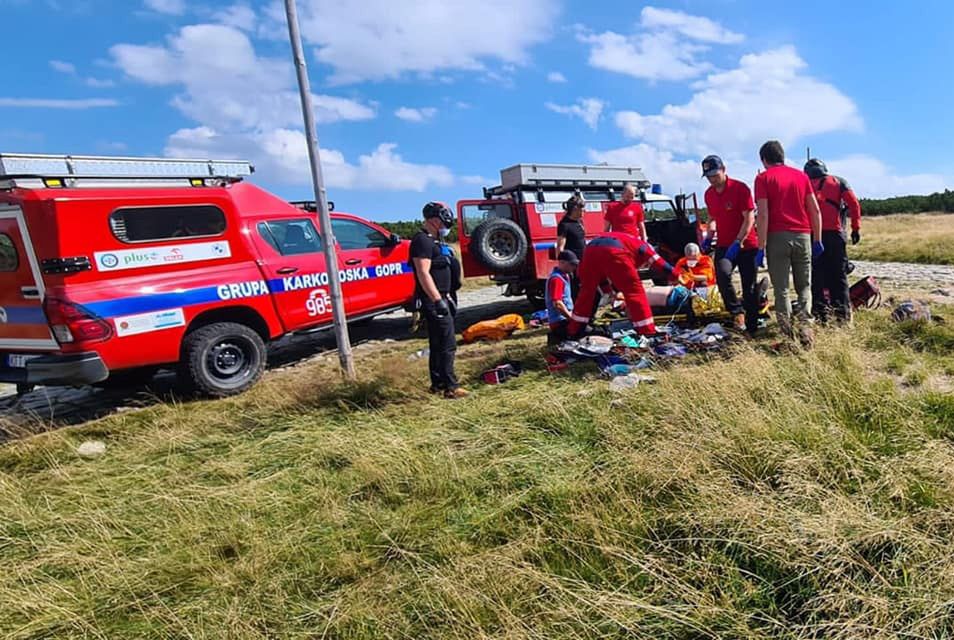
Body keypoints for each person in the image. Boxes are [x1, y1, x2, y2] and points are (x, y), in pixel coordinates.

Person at [754, 140, 823, 343]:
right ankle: (805, 327)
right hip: (803, 235)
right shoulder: (801, 177)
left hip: (777, 237)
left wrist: (761, 246)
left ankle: (786, 331)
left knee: (781, 287)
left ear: (764, 159)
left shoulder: (763, 178)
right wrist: (817, 239)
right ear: (782, 156)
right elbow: (815, 210)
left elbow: (763, 214)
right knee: (804, 286)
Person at [568, 232, 678, 337]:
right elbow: (658, 261)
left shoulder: (627, 241)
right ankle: (646, 330)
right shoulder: (644, 246)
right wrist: (675, 275)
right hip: (614, 250)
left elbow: (601, 274)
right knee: (635, 291)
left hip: (590, 249)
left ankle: (575, 329)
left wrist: (608, 292)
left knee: (586, 293)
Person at [411, 202, 468, 399]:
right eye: (444, 222)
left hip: (445, 296)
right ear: (434, 221)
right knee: (447, 343)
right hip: (434, 300)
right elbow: (423, 273)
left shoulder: (436, 242)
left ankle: (437, 383)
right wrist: (437, 300)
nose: (446, 226)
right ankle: (451, 387)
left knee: (437, 342)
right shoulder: (422, 241)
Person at [701, 154, 759, 333]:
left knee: (748, 284)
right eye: (708, 176)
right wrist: (709, 236)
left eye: (714, 175)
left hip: (746, 244)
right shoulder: (709, 194)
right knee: (723, 275)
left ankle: (752, 326)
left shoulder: (740, 188)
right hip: (725, 245)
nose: (712, 179)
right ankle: (737, 313)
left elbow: (749, 217)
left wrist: (738, 241)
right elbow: (712, 218)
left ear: (723, 170)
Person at [804, 158, 862, 324]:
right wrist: (856, 228)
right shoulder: (838, 181)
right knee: (839, 276)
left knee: (816, 277)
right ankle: (842, 315)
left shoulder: (803, 184)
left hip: (811, 235)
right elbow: (854, 205)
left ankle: (820, 314)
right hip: (835, 235)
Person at [544, 250, 579, 345]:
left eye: (575, 264)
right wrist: (571, 318)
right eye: (572, 264)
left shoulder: (565, 276)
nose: (574, 267)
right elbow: (557, 304)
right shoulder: (557, 279)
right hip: (560, 322)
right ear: (561, 262)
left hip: (564, 320)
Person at [556, 194, 586, 260]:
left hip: (583, 260)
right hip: (572, 263)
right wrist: (562, 263)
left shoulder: (580, 221)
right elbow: (560, 247)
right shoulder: (564, 225)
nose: (584, 211)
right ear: (575, 209)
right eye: (582, 210)